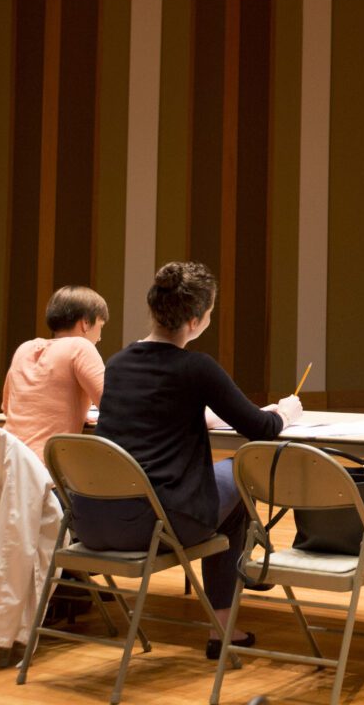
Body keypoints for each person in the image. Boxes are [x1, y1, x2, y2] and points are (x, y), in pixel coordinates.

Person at [70, 261, 302, 658]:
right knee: (238, 473)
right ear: (195, 320)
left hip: (92, 523)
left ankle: (225, 619)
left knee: (221, 481)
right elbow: (261, 428)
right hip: (156, 526)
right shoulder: (197, 368)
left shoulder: (119, 363)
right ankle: (222, 629)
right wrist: (286, 411)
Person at [2, 285, 109, 460]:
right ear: (86, 323)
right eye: (100, 326)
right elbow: (111, 405)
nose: (99, 338)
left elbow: (8, 408)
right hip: (45, 469)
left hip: (7, 462)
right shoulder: (80, 347)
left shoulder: (24, 348)